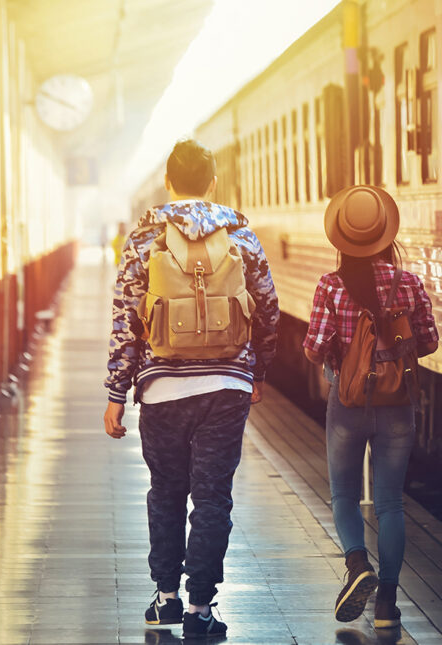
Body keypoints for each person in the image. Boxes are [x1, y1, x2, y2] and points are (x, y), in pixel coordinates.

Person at [103, 139, 279, 638]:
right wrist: (257, 372)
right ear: (213, 181)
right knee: (212, 498)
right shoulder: (241, 236)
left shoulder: (144, 239)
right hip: (226, 388)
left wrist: (117, 395)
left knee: (166, 494)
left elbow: (125, 322)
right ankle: (202, 610)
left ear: (168, 180)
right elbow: (267, 310)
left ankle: (166, 600)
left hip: (160, 390)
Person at [303, 185, 438, 629]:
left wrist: (338, 353)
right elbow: (430, 342)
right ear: (386, 235)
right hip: (397, 404)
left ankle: (358, 564)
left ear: (340, 239)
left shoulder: (331, 287)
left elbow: (313, 347)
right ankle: (387, 607)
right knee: (390, 504)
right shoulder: (409, 284)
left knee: (343, 493)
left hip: (348, 402)